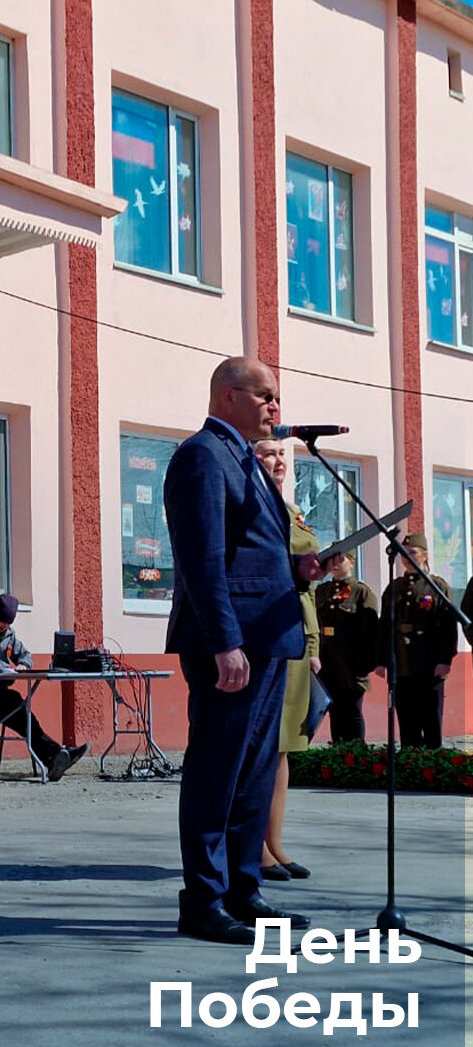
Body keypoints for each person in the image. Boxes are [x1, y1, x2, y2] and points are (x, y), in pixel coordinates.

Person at [164, 356, 324, 944]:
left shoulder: (247, 459)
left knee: (254, 772)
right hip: (230, 645)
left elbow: (248, 552)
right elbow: (203, 561)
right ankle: (204, 901)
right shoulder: (203, 457)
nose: (275, 407)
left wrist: (298, 569)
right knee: (217, 771)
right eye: (265, 396)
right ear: (228, 396)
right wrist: (225, 642)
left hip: (269, 635)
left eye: (276, 397)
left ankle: (243, 892)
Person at [253, 439, 318, 883]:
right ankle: (253, 847)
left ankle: (274, 843)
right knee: (262, 748)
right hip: (267, 634)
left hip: (295, 634)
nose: (278, 461)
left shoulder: (292, 511)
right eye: (267, 453)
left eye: (282, 454)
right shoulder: (253, 507)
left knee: (283, 750)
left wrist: (313, 648)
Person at [374, 533, 457, 749]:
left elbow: (448, 627)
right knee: (407, 719)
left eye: (412, 553)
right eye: (404, 553)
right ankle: (409, 760)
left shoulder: (436, 587)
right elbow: (385, 626)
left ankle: (432, 762)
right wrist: (381, 659)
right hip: (402, 662)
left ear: (425, 555)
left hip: (429, 661)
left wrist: (445, 659)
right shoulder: (394, 588)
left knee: (430, 718)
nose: (407, 558)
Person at [0, 594, 89, 780]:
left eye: (8, 622)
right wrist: (4, 669)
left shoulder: (9, 635)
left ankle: (55, 755)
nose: (3, 626)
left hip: (1, 693)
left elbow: (25, 655)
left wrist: (23, 665)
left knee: (25, 716)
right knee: (20, 711)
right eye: (1, 621)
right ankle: (55, 754)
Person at [315, 551, 378, 744]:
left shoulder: (361, 592)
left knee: (352, 712)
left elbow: (370, 632)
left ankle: (355, 753)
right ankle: (338, 751)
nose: (335, 563)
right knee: (335, 712)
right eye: (331, 559)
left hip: (351, 664)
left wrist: (364, 665)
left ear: (351, 562)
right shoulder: (322, 591)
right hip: (328, 662)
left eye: (340, 559)